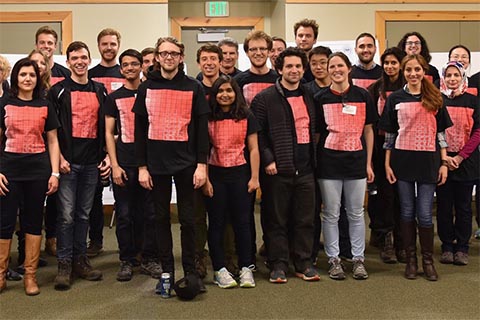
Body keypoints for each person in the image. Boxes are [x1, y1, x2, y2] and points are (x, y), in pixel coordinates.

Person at [133, 36, 209, 292]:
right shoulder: (146, 88)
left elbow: (201, 131)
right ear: (157, 57)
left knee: (188, 220)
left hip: (187, 164)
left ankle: (190, 272)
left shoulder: (193, 87)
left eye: (173, 53)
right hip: (156, 165)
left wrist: (202, 165)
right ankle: (167, 273)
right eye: (163, 53)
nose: (168, 57)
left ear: (180, 57)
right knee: (160, 219)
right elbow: (139, 130)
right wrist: (141, 167)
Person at [378, 54, 452, 281]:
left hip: (429, 162)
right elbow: (390, 135)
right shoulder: (395, 99)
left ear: (424, 71)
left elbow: (441, 134)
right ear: (403, 72)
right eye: (408, 69)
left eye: (417, 69)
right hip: (402, 161)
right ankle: (411, 260)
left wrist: (444, 162)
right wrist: (388, 164)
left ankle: (427, 261)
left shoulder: (435, 97)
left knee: (425, 214)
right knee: (407, 211)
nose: (413, 73)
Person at [252, 47, 319, 283]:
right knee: (276, 219)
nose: (294, 70)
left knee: (305, 219)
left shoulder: (310, 95)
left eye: (298, 66)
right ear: (279, 69)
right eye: (289, 66)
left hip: (306, 169)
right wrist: (268, 159)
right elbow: (257, 134)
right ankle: (277, 263)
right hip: (277, 170)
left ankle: (303, 262)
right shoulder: (265, 98)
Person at [48, 41, 109, 290]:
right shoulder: (58, 91)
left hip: (92, 164)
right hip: (67, 164)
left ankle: (80, 261)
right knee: (66, 216)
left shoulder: (100, 89)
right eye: (75, 58)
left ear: (89, 59)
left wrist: (106, 156)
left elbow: (108, 127)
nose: (80, 61)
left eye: (84, 57)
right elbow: (51, 130)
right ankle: (64, 264)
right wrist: (59, 158)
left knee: (83, 215)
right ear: (68, 62)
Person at [0, 58, 60, 295]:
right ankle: (1, 274)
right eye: (23, 74)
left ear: (38, 79)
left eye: (32, 75)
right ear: (15, 78)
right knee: (4, 222)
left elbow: (53, 140)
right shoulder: (4, 103)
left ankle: (30, 276)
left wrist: (54, 172)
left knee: (33, 221)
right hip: (9, 171)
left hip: (37, 171)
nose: (27, 78)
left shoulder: (45, 105)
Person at [315, 52, 376, 281]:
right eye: (332, 66)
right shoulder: (321, 97)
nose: (336, 70)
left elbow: (368, 130)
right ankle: (334, 260)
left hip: (357, 163)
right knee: (330, 213)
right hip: (329, 164)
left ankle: (358, 259)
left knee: (356, 213)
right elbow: (317, 134)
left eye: (340, 65)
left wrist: (369, 162)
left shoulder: (362, 95)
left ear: (349, 68)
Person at [105, 49, 157, 281]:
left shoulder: (151, 93)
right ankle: (126, 259)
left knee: (149, 213)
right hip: (124, 163)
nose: (130, 68)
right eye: (125, 65)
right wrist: (114, 165)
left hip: (149, 164)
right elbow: (108, 133)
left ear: (141, 66)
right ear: (121, 68)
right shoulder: (113, 98)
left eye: (134, 64)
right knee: (124, 214)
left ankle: (148, 258)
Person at [203, 75, 260, 288]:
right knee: (216, 223)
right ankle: (220, 269)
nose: (224, 95)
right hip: (216, 176)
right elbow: (204, 150)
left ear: (236, 93)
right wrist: (206, 180)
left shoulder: (246, 115)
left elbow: (253, 148)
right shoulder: (208, 117)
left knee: (243, 223)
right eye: (220, 91)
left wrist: (255, 178)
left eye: (229, 90)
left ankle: (246, 267)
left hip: (241, 175)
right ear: (214, 95)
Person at [436, 61, 479, 266]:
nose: (452, 79)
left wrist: (461, 156)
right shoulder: (437, 100)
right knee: (444, 206)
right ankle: (446, 245)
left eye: (456, 75)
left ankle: (462, 247)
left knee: (463, 207)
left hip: (466, 161)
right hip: (442, 161)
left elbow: (478, 131)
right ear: (443, 77)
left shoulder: (473, 100)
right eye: (449, 75)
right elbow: (434, 129)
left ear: (463, 77)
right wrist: (445, 158)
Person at [87, 28, 124, 258]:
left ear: (118, 45)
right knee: (94, 196)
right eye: (104, 44)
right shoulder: (90, 74)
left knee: (125, 199)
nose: (109, 47)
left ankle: (128, 247)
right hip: (96, 144)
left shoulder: (127, 72)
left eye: (112, 43)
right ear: (98, 46)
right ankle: (96, 241)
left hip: (125, 145)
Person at [367, 47, 406, 263]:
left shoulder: (408, 88)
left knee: (403, 195)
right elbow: (370, 124)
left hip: (405, 148)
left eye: (394, 62)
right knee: (385, 195)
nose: (390, 66)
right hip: (382, 147)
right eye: (387, 63)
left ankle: (403, 240)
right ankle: (387, 239)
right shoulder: (375, 89)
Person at [193, 44, 223, 282]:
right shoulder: (193, 88)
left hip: (227, 161)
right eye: (205, 59)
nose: (209, 62)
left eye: (213, 58)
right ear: (199, 62)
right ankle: (199, 257)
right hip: (198, 158)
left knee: (226, 213)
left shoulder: (228, 88)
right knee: (197, 213)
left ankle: (225, 258)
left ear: (220, 62)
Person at [234, 31, 278, 106]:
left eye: (262, 49)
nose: (258, 53)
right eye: (253, 49)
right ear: (247, 53)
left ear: (269, 52)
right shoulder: (237, 81)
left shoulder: (279, 79)